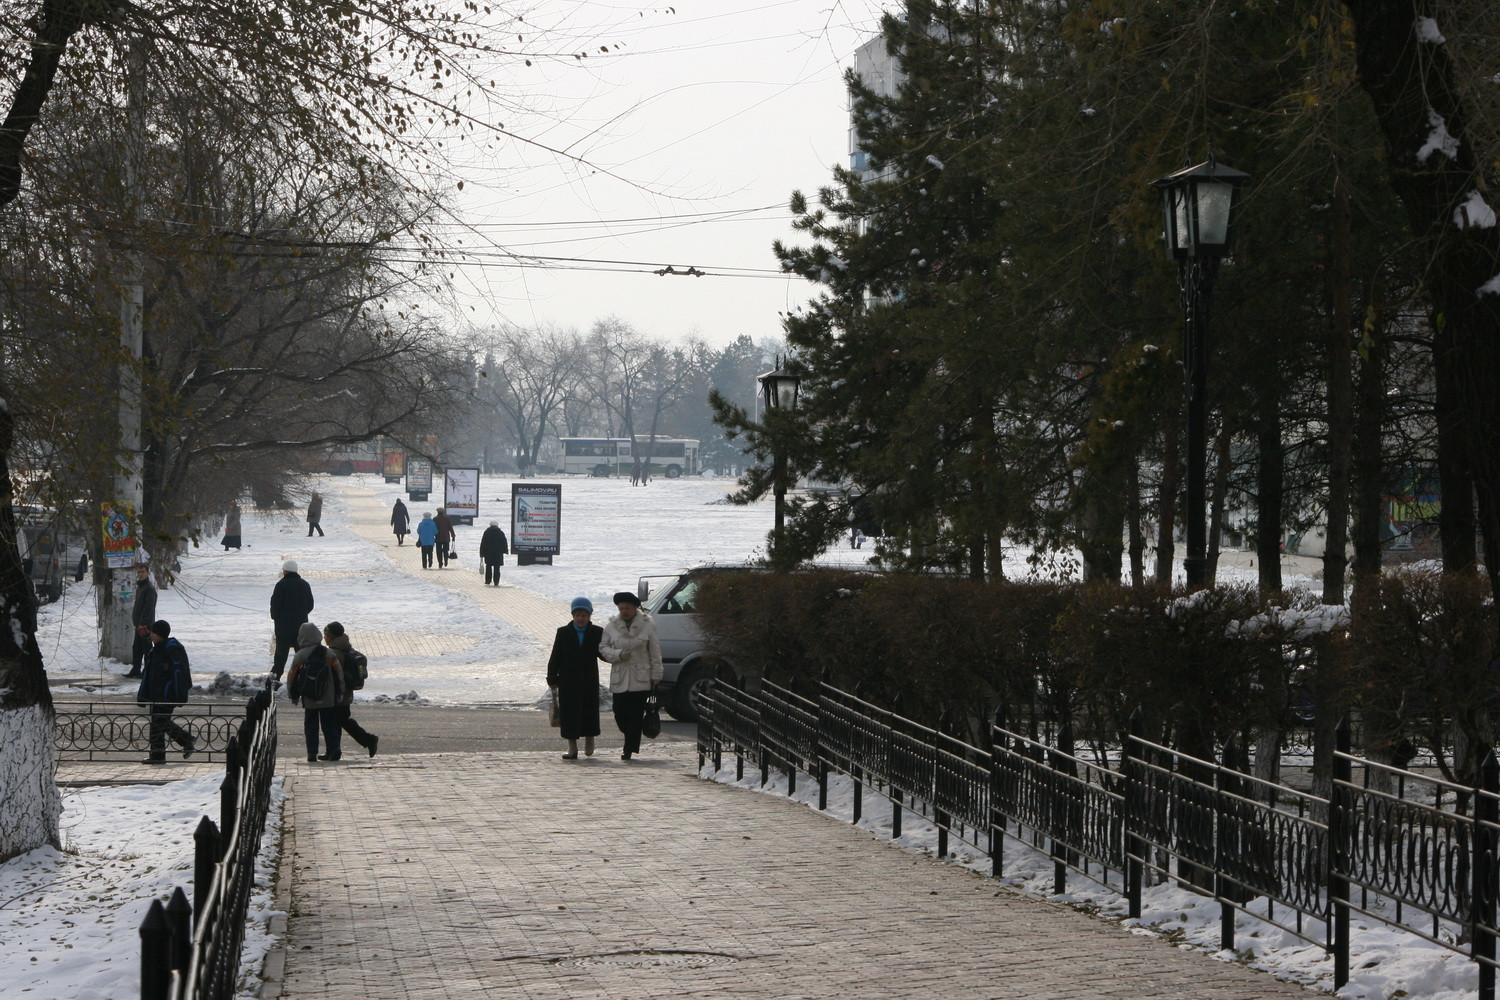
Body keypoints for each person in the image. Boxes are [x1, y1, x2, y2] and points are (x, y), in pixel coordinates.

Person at [599, 590, 662, 761]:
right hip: (620, 677)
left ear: (635, 608)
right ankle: (631, 736)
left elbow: (655, 651)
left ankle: (629, 748)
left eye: (627, 608)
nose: (624, 611)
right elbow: (603, 648)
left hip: (640, 678)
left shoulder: (648, 624)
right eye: (621, 608)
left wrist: (656, 674)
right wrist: (618, 654)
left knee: (635, 714)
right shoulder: (611, 626)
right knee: (619, 713)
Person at [547, 597, 603, 759]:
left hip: (589, 679)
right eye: (577, 615)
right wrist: (552, 677)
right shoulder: (563, 632)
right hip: (568, 680)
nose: (580, 618)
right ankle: (572, 747)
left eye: (584, 615)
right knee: (569, 714)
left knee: (589, 711)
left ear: (589, 616)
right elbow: (555, 656)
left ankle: (590, 739)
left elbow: (603, 653)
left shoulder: (597, 632)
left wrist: (617, 657)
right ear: (573, 615)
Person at [137, 619, 195, 763]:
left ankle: (186, 739)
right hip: (156, 694)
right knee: (157, 724)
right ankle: (158, 756)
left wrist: (178, 694)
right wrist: (144, 694)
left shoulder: (171, 649)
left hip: (167, 694)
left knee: (160, 721)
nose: (151, 635)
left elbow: (179, 673)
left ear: (161, 634)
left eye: (154, 633)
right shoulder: (156, 649)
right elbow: (149, 674)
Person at [287, 621, 345, 762]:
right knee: (329, 724)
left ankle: (312, 753)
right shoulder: (329, 653)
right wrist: (340, 691)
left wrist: (293, 694)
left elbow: (292, 677)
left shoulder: (300, 655)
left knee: (311, 725)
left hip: (309, 696)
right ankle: (334, 749)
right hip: (327, 696)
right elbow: (338, 674)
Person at [324, 621, 377, 758]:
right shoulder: (346, 647)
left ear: (330, 636)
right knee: (340, 720)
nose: (324, 638)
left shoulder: (335, 652)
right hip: (346, 692)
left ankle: (368, 740)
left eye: (325, 635)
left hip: (338, 693)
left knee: (337, 721)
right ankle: (334, 751)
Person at [270, 559, 314, 682]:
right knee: (301, 654)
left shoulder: (281, 585)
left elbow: (275, 604)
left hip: (283, 627)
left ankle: (275, 678)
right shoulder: (305, 584)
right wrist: (302, 614)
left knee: (281, 655)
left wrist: (276, 617)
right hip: (301, 627)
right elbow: (310, 604)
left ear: (285, 571)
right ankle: (304, 677)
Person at [125, 562, 157, 679]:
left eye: (143, 572)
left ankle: (147, 671)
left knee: (147, 648)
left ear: (147, 573)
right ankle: (136, 669)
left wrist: (143, 624)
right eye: (139, 572)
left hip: (146, 625)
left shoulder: (149, 588)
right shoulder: (141, 587)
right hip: (139, 624)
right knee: (137, 648)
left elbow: (149, 608)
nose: (140, 574)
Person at [478, 520, 509, 585]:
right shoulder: (500, 533)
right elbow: (504, 542)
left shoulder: (487, 532)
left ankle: (488, 581)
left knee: (488, 567)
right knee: (497, 568)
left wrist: (481, 552)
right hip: (498, 553)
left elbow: (483, 543)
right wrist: (505, 550)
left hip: (488, 553)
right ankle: (496, 581)